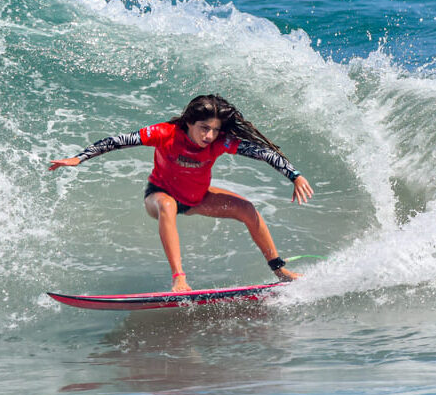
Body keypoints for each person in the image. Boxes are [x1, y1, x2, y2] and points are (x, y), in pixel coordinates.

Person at [49, 95, 314, 292]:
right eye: (203, 128)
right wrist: (79, 158)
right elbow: (118, 141)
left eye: (215, 130)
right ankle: (179, 279)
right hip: (160, 194)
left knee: (247, 209)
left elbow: (263, 153)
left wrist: (295, 175)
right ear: (189, 122)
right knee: (167, 206)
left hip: (197, 197)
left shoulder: (220, 142)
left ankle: (280, 271)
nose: (209, 135)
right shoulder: (165, 133)